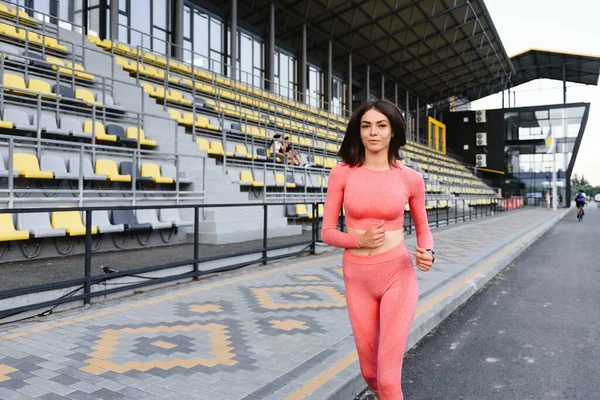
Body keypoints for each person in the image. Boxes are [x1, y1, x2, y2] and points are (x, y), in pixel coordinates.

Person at [321, 99, 434, 400]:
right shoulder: (341, 173)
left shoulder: (410, 178)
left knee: (387, 378)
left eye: (381, 125)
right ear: (358, 132)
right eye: (366, 125)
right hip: (357, 278)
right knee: (370, 373)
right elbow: (327, 232)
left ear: (393, 131)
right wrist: (359, 241)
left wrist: (427, 252)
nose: (373, 132)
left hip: (397, 275)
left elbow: (423, 229)